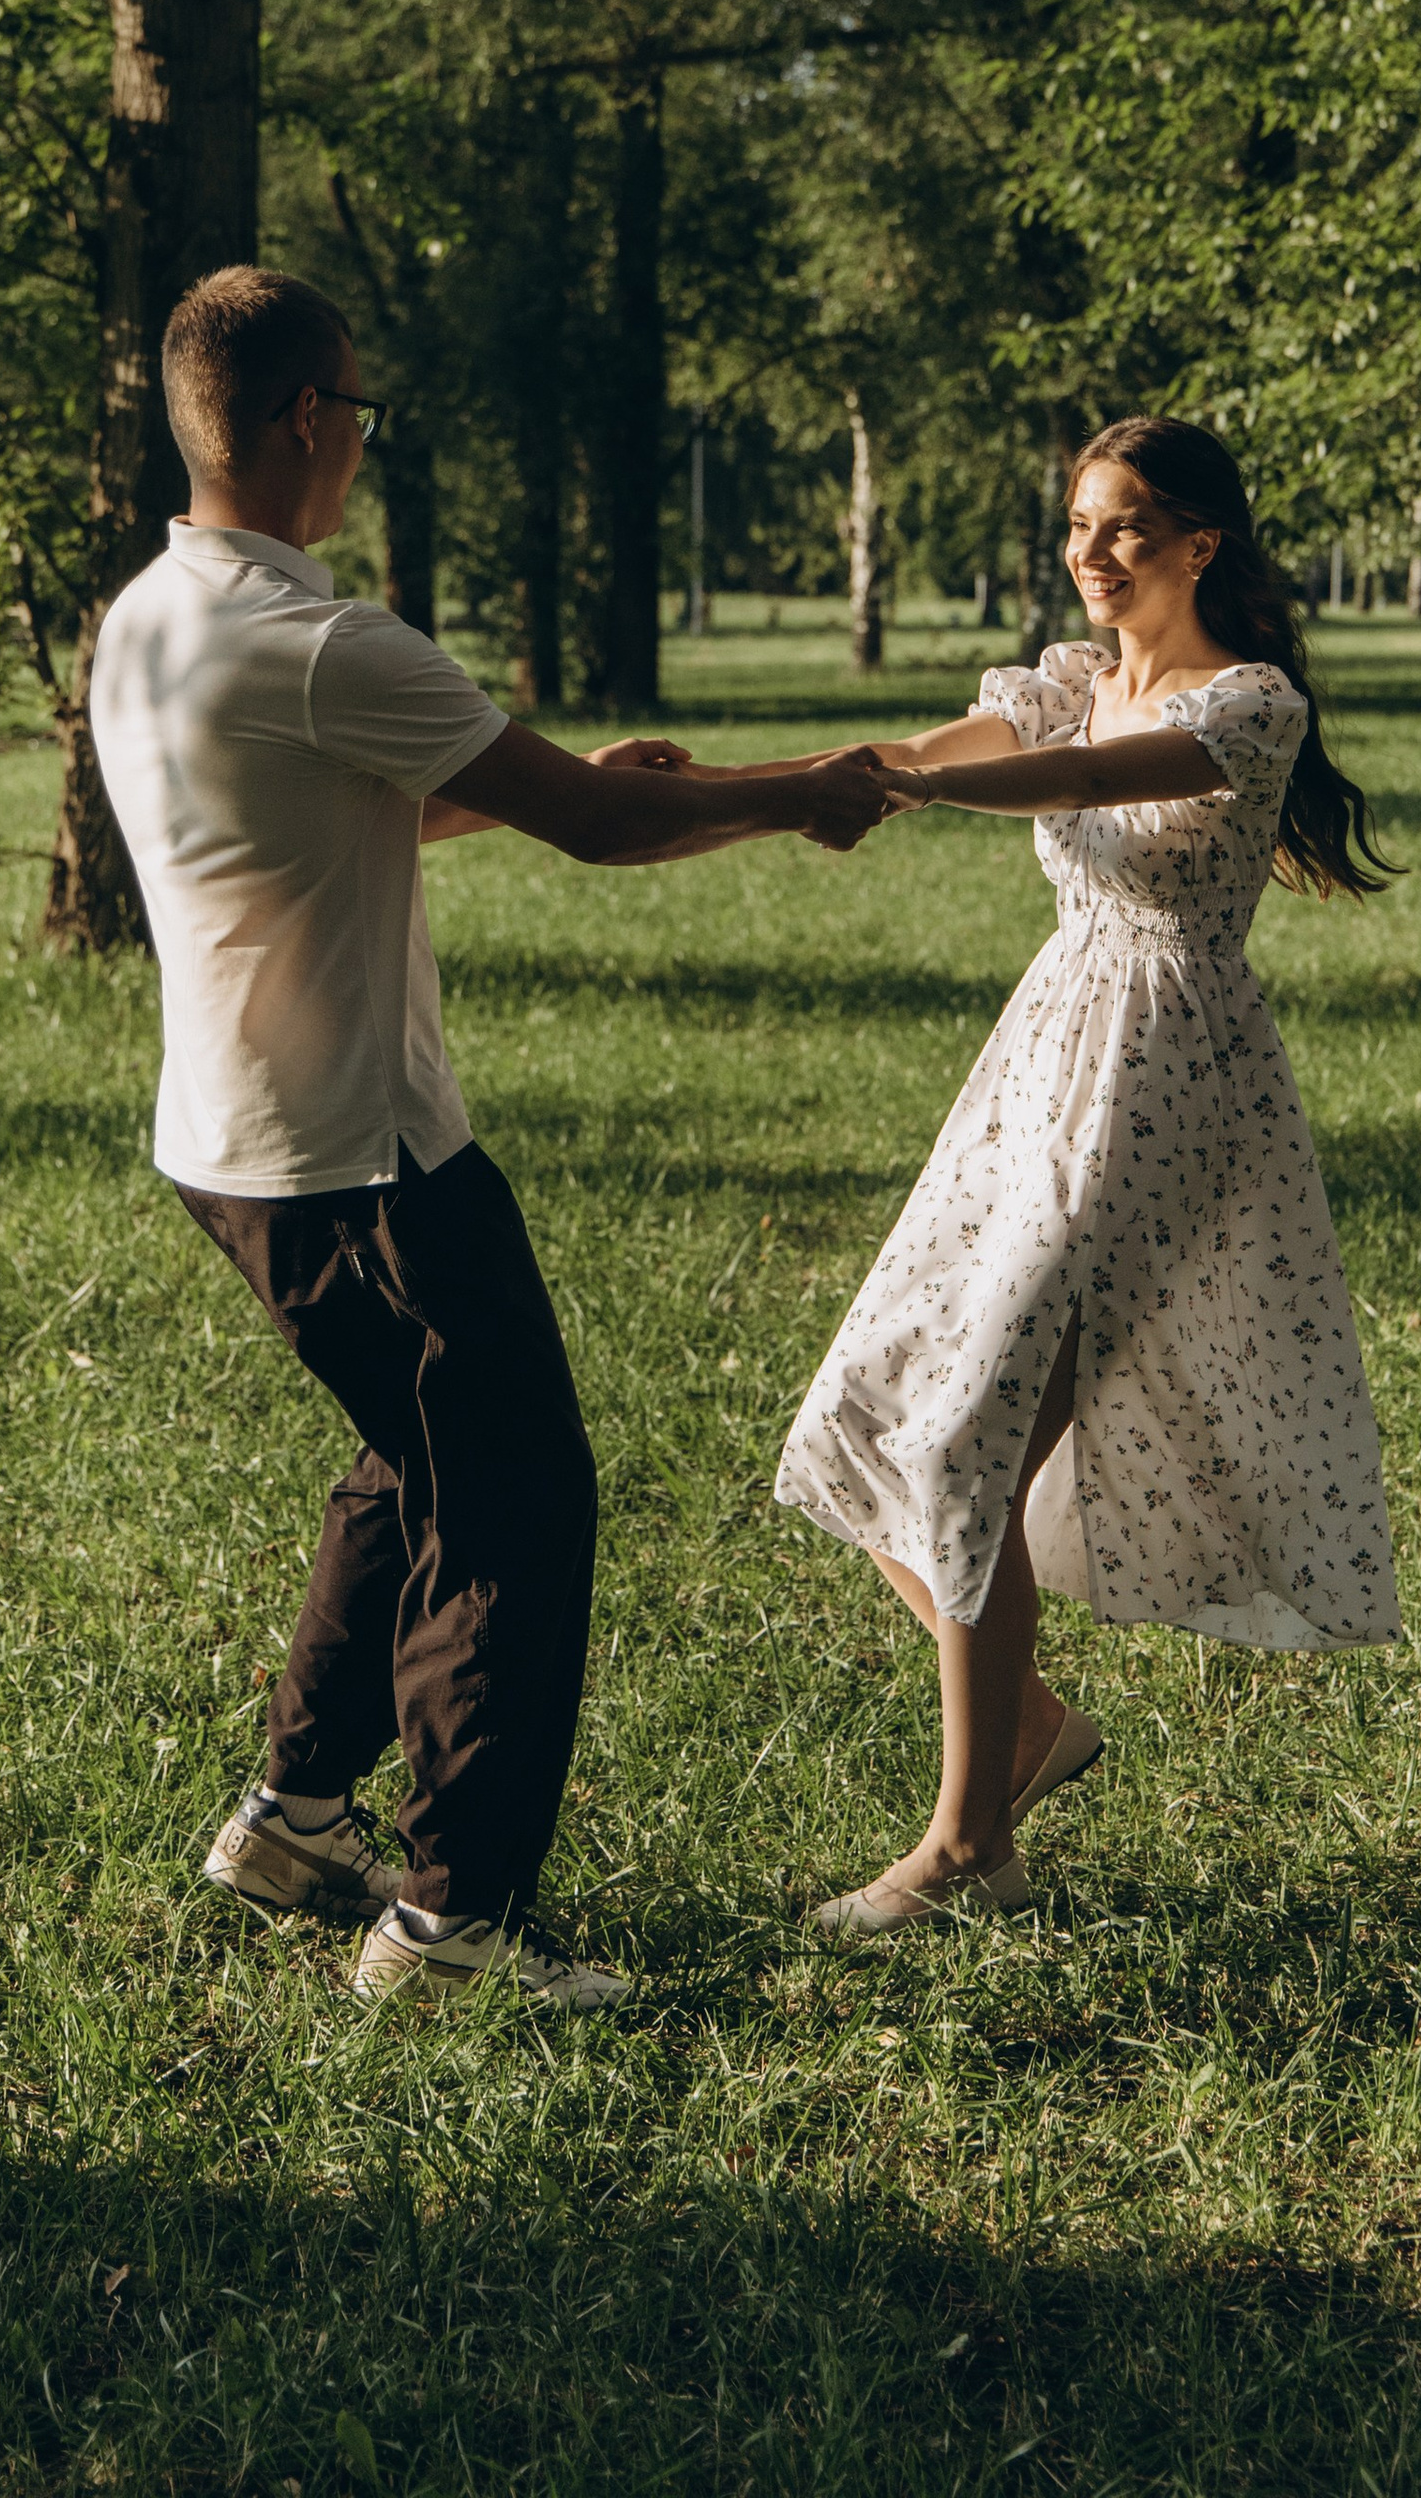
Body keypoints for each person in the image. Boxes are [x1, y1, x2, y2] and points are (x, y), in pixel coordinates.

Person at [89, 266, 899, 2009]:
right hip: (362, 1155)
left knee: (416, 1458)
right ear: (309, 420)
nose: (364, 448)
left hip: (225, 1140)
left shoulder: (152, 615)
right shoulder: (323, 636)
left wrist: (519, 769)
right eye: (361, 416)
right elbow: (600, 830)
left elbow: (323, 811)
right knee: (515, 1498)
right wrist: (789, 796)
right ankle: (451, 1925)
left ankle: (298, 1819)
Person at [773, 415, 1403, 1935]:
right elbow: (930, 753)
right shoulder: (1067, 673)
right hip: (1040, 1068)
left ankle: (968, 1848)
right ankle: (1032, 1729)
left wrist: (912, 791)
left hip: (1165, 1085)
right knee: (864, 1424)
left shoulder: (1250, 708)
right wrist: (766, 778)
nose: (1092, 552)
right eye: (1076, 524)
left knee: (975, 1432)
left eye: (1124, 527)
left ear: (1202, 546)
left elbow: (1078, 772)